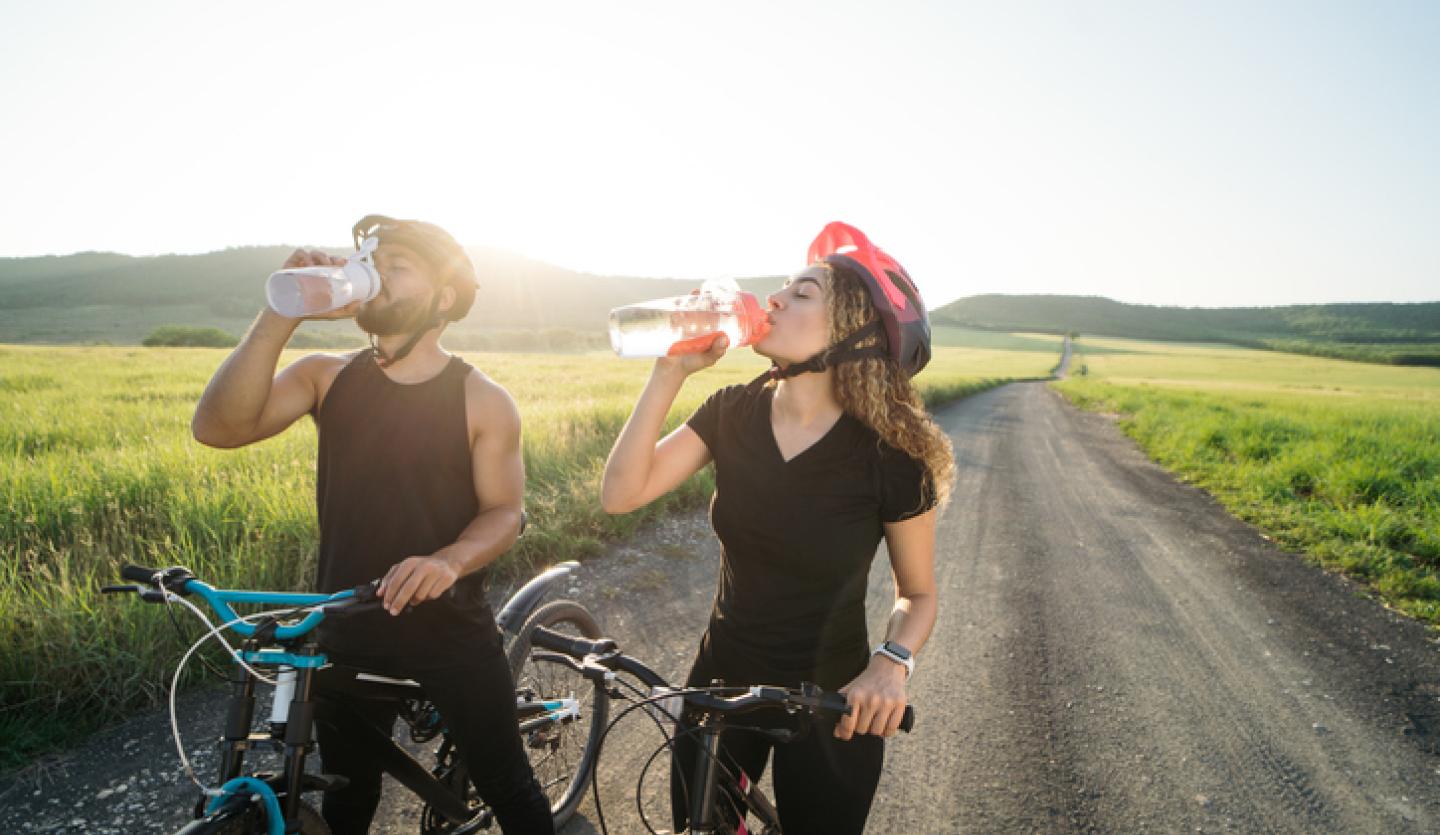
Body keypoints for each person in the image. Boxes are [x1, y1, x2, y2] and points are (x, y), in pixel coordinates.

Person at [191, 215, 553, 834]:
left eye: (396, 267)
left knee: (508, 790)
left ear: (442, 297)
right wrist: (283, 310)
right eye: (371, 262)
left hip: (448, 635)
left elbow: (504, 512)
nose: (375, 275)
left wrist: (448, 561)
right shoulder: (326, 377)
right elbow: (218, 429)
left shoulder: (482, 398)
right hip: (344, 623)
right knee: (346, 800)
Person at [600, 221, 954, 834]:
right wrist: (668, 374)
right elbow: (621, 494)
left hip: (830, 701)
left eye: (803, 293)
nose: (774, 300)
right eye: (783, 288)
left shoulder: (891, 457)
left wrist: (889, 664)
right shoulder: (732, 410)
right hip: (719, 679)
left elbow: (917, 594)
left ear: (852, 331)